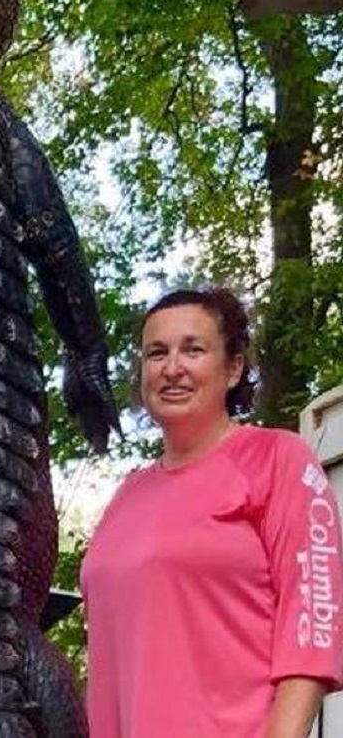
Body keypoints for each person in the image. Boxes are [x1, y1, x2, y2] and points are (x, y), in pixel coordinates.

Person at [81, 288, 343, 738]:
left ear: (234, 367)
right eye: (156, 353)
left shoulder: (277, 459)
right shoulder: (127, 496)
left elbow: (312, 621)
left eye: (193, 349)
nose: (172, 368)